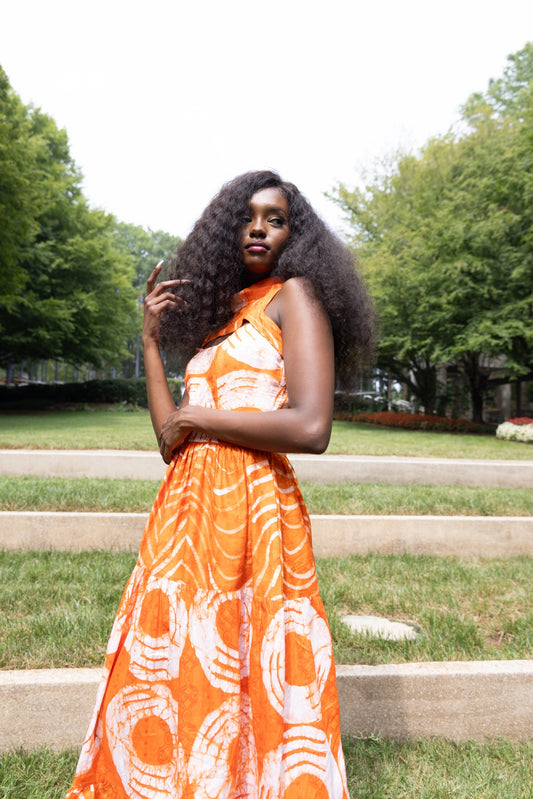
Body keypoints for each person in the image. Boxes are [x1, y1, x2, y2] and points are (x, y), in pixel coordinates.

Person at [66, 170, 374, 799]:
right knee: (179, 654)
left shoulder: (296, 295)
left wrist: (199, 416)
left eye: (276, 218)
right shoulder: (224, 317)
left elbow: (312, 427)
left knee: (248, 652)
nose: (259, 227)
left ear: (296, 234)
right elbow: (167, 439)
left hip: (255, 509)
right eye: (247, 216)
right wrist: (152, 343)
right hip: (185, 513)